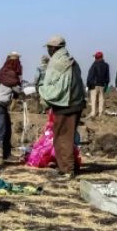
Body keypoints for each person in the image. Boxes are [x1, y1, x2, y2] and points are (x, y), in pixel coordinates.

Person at [39, 35, 86, 179]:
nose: (48, 50)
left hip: (66, 105)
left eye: (49, 47)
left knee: (62, 138)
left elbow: (52, 88)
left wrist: (44, 97)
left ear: (54, 48)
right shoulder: (71, 61)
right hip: (76, 103)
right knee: (67, 137)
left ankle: (66, 171)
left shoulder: (57, 63)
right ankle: (66, 167)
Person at [86, 51, 110, 118]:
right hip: (102, 85)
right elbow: (107, 76)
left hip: (94, 85)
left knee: (93, 99)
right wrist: (106, 85)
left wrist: (88, 85)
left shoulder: (94, 65)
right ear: (102, 57)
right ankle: (100, 113)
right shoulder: (106, 65)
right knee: (101, 99)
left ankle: (93, 113)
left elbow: (90, 75)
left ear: (96, 57)